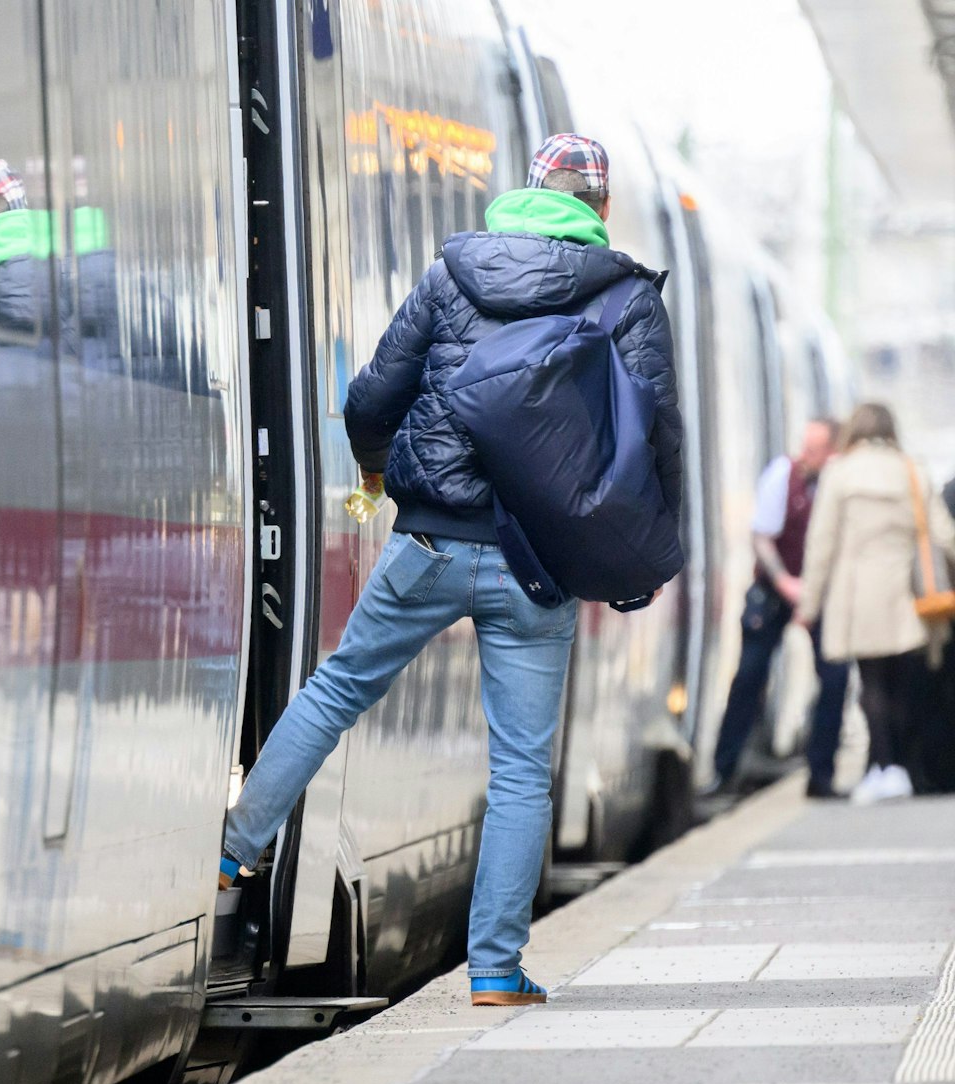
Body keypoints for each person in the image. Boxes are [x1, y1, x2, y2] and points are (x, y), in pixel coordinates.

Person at [218, 135, 680, 1007]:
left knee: (335, 690)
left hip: (428, 544)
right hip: (538, 565)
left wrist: (374, 470)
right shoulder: (627, 296)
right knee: (521, 769)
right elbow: (655, 434)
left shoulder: (453, 275)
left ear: (528, 192)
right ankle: (496, 969)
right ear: (600, 208)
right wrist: (647, 554)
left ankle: (235, 848)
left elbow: (370, 399)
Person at [796, 403, 955, 803]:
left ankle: (884, 768)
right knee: (899, 684)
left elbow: (821, 544)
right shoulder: (912, 471)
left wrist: (809, 604)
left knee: (871, 684)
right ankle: (897, 767)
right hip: (904, 595)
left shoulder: (840, 473)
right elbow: (943, 534)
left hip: (856, 596)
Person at [704, 419, 849, 798]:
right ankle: (724, 769)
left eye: (815, 449)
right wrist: (785, 581)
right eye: (806, 446)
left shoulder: (841, 482)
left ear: (833, 451)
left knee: (835, 677)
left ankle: (821, 773)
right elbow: (763, 535)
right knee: (750, 674)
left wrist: (814, 593)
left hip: (822, 592)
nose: (806, 454)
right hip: (775, 589)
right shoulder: (782, 474)